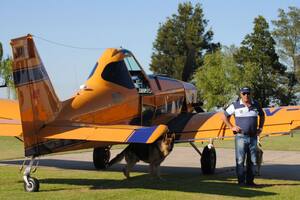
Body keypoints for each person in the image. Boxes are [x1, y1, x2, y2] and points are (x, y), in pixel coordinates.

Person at [221, 87, 265, 186]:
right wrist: (231, 127)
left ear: (251, 94)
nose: (246, 95)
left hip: (253, 137)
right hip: (241, 137)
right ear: (240, 94)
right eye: (244, 93)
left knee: (252, 160)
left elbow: (262, 115)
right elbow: (224, 116)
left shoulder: (256, 104)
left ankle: (250, 182)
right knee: (240, 160)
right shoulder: (235, 105)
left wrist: (260, 128)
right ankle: (241, 182)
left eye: (248, 93)